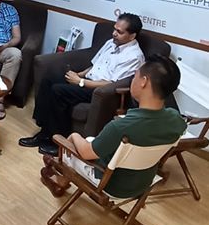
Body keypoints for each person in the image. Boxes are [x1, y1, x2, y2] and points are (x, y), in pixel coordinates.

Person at [40, 55, 186, 198]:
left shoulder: (121, 126)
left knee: (69, 144)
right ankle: (61, 175)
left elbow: (85, 153)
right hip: (144, 182)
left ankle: (60, 179)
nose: (132, 80)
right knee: (93, 140)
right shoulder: (177, 120)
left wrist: (74, 136)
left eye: (135, 75)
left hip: (112, 185)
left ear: (143, 82)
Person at [19, 13, 145, 154]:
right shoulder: (111, 43)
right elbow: (94, 65)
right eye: (114, 29)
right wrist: (78, 75)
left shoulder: (134, 56)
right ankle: (44, 131)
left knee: (58, 91)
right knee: (49, 79)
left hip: (100, 90)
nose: (114, 33)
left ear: (132, 36)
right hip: (87, 80)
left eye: (119, 32)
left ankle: (58, 142)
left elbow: (110, 83)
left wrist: (80, 82)